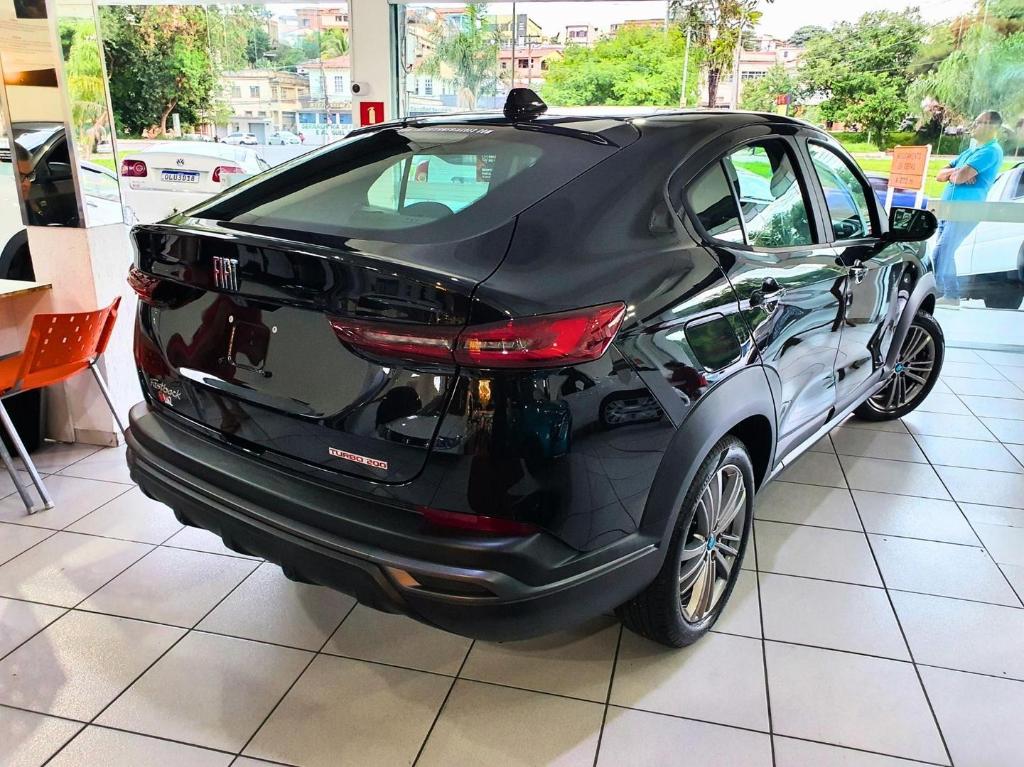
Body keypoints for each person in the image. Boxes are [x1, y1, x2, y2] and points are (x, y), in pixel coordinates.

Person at [933, 110, 1005, 308]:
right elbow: (939, 175)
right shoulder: (970, 151)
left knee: (941, 253)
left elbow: (958, 178)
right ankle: (951, 294)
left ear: (992, 127)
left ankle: (941, 293)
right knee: (946, 253)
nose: (974, 125)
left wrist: (956, 174)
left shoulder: (990, 151)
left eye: (979, 122)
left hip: (964, 212)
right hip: (948, 210)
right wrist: (956, 172)